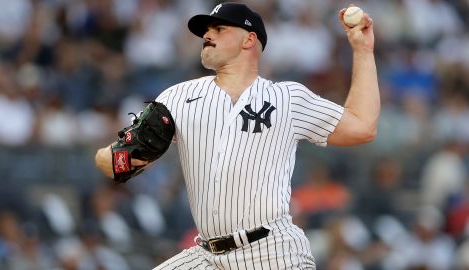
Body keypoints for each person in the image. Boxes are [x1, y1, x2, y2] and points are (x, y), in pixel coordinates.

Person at [95, 2, 379, 269]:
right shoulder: (177, 97)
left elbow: (362, 127)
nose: (207, 35)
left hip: (273, 251)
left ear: (249, 40)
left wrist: (363, 52)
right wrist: (127, 158)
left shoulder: (287, 98)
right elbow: (111, 162)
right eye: (205, 31)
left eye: (219, 29)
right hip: (208, 256)